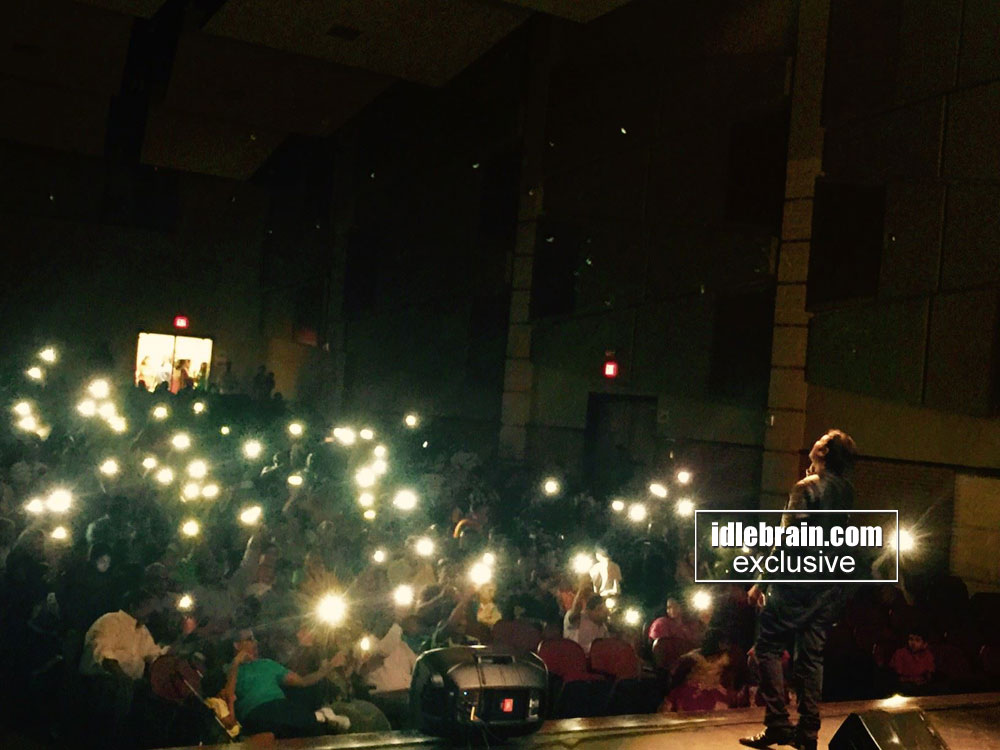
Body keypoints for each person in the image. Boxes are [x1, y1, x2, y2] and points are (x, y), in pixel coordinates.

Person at [740, 429, 857, 750]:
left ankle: (778, 723)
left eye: (822, 440)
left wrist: (761, 582)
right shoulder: (845, 489)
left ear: (824, 452)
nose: (815, 441)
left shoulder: (806, 487)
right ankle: (808, 733)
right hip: (827, 585)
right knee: (811, 658)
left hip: (795, 584)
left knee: (766, 648)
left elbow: (787, 541)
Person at [228, 629, 350, 738]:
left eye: (255, 639)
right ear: (237, 645)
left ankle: (318, 718)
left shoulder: (266, 664)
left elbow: (302, 681)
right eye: (250, 639)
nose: (255, 642)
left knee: (306, 727)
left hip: (278, 706)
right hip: (253, 713)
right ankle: (318, 717)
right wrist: (236, 662)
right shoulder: (228, 670)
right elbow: (229, 694)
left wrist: (330, 666)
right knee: (279, 722)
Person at [564, 577, 609, 654]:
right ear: (591, 611)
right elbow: (575, 612)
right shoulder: (579, 619)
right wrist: (582, 589)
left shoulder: (602, 627)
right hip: (575, 657)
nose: (606, 612)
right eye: (600, 609)